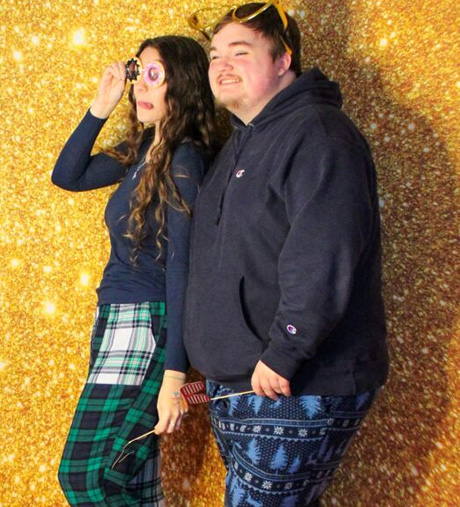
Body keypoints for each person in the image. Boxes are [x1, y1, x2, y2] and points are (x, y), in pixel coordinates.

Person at [183, 2, 389, 506]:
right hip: (235, 386)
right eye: (215, 55)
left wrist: (285, 351)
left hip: (295, 381)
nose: (222, 65)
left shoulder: (317, 133)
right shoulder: (238, 145)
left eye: (240, 51)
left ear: (282, 61)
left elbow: (324, 251)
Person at [53, 35, 218, 506]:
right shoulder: (147, 148)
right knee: (136, 483)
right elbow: (68, 176)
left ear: (181, 85)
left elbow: (181, 269)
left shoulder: (184, 160)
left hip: (145, 324)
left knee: (85, 477)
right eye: (137, 72)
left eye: (155, 75)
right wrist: (99, 106)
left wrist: (174, 376)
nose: (140, 86)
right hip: (117, 320)